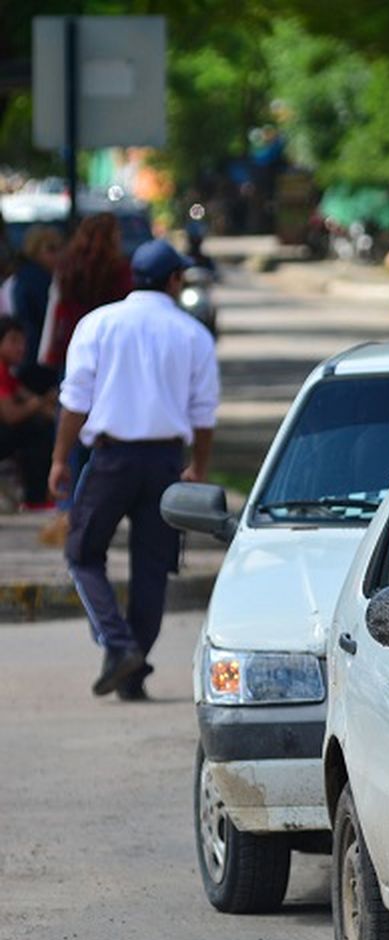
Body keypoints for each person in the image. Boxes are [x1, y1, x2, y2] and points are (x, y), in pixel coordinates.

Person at [49, 239, 220, 701]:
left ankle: (120, 647)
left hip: (111, 458)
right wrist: (197, 468)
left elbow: (74, 402)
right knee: (152, 569)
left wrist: (60, 459)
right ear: (173, 281)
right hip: (165, 463)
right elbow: (204, 415)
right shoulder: (193, 334)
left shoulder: (98, 324)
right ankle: (131, 667)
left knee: (82, 554)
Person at [39, 213, 134, 374]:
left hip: (73, 343)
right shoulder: (120, 271)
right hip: (109, 347)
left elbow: (56, 310)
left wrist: (49, 351)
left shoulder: (67, 268)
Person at [0, 318, 57, 509]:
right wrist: (39, 403)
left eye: (22, 342)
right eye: (14, 341)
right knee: (35, 430)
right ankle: (35, 498)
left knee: (42, 424)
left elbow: (31, 398)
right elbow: (11, 415)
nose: (21, 348)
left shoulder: (9, 373)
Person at [9, 225, 64, 369]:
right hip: (35, 354)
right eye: (51, 249)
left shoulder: (23, 276)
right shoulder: (36, 280)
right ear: (34, 250)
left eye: (60, 249)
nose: (58, 255)